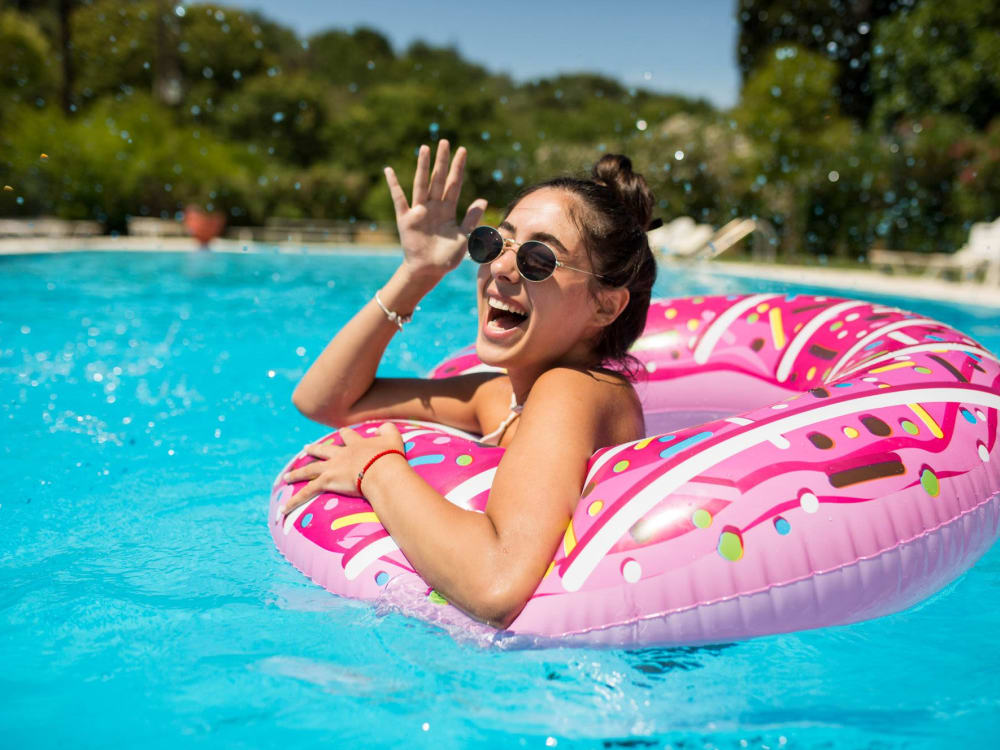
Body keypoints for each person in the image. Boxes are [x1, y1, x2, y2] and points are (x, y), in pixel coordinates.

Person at [280, 140, 657, 628]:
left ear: (606, 306)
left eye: (538, 259)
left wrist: (377, 469)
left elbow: (495, 585)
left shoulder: (574, 389)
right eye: (494, 243)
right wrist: (418, 273)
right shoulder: (498, 396)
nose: (499, 267)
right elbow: (324, 400)